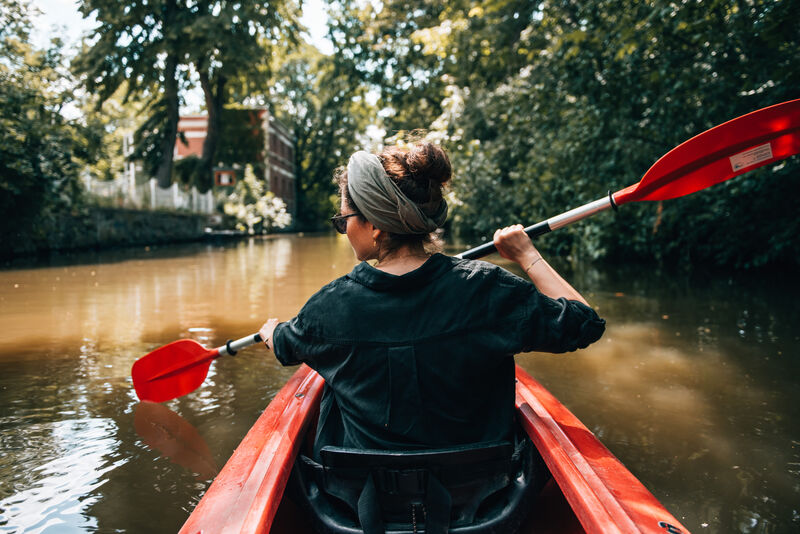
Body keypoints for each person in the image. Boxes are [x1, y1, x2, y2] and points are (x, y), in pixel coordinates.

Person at [259, 142, 605, 458]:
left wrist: (270, 332)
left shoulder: (329, 308)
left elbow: (286, 346)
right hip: (481, 497)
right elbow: (584, 323)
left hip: (360, 502)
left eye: (343, 220)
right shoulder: (488, 289)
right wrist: (528, 255)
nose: (343, 228)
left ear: (376, 226)